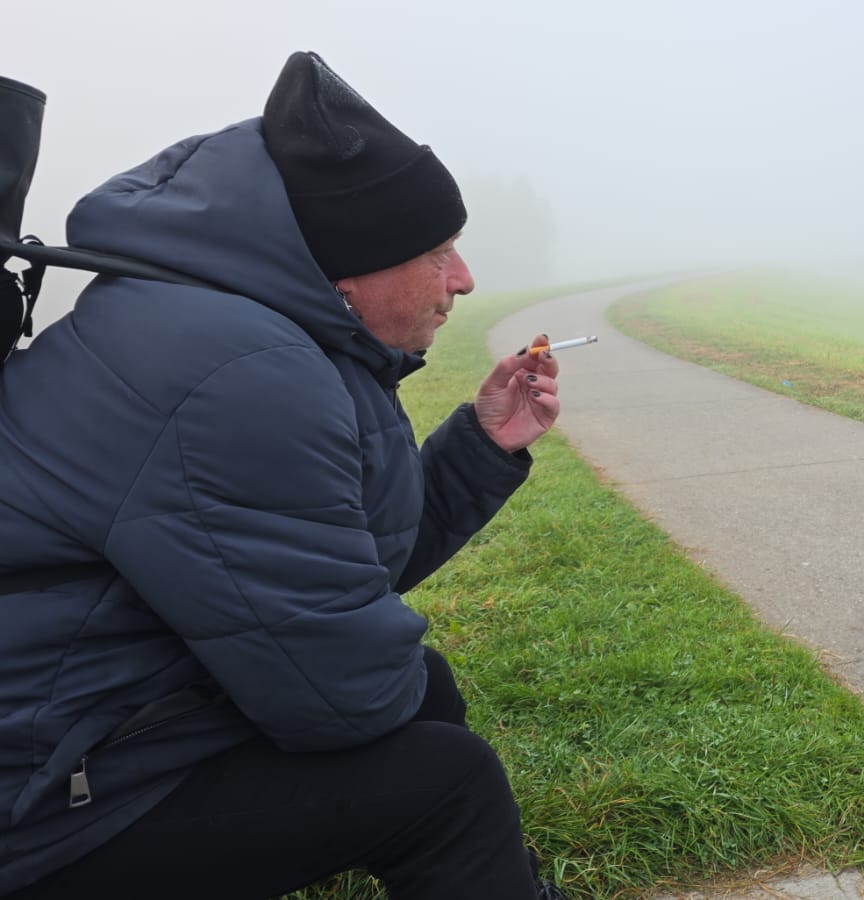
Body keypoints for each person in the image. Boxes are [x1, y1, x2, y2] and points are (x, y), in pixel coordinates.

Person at [0, 52, 568, 899]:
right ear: (347, 272)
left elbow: (327, 577)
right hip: (39, 804)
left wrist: (482, 445)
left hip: (81, 724)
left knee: (426, 692)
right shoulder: (238, 375)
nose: (463, 278)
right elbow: (341, 696)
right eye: (436, 250)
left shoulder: (243, 332)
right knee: (449, 786)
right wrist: (381, 671)